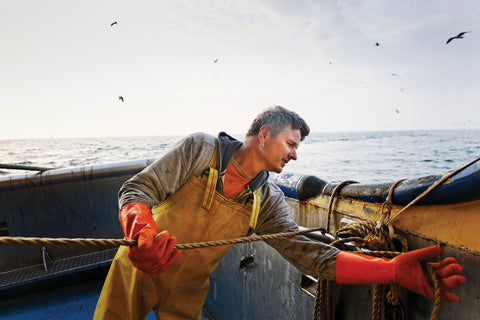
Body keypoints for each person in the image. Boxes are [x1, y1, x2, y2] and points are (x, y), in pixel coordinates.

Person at [94, 106, 465, 320]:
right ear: (263, 134)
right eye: (291, 143)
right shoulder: (199, 149)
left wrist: (390, 270)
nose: (295, 154)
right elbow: (137, 189)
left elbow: (314, 256)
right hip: (136, 271)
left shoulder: (266, 199)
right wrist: (141, 233)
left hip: (189, 290)